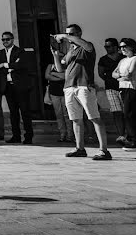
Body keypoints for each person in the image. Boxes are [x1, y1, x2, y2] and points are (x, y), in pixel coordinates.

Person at [52, 24, 111, 161]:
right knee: (75, 119)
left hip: (84, 86)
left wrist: (64, 36)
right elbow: (60, 69)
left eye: (72, 33)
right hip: (69, 87)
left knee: (94, 118)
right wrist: (55, 55)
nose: (69, 36)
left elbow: (86, 45)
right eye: (68, 34)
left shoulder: (87, 47)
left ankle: (104, 150)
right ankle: (80, 148)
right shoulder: (71, 50)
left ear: (79, 33)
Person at [112, 38, 136, 151]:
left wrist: (120, 76)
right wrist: (120, 76)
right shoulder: (123, 61)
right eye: (120, 47)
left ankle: (134, 140)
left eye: (124, 46)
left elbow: (129, 75)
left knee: (128, 114)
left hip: (133, 89)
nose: (122, 49)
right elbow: (113, 73)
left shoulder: (135, 58)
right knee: (135, 116)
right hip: (124, 89)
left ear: (131, 47)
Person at [0, 31, 34, 145]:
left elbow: (21, 65)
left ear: (12, 39)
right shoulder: (0, 53)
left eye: (7, 39)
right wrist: (11, 66)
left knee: (25, 112)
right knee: (13, 113)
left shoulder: (20, 51)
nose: (5, 41)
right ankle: (16, 136)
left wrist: (4, 65)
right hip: (8, 87)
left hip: (21, 86)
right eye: (3, 40)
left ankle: (28, 136)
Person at [98, 37, 127, 145]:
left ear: (115, 47)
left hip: (124, 87)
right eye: (105, 46)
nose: (107, 48)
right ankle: (121, 134)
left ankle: (129, 133)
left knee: (126, 112)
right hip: (110, 88)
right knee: (116, 112)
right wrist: (108, 80)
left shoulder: (123, 58)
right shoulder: (103, 59)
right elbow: (101, 73)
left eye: (109, 46)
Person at [44, 59, 73, 143]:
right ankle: (62, 135)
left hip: (65, 93)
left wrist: (53, 74)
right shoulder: (50, 65)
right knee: (59, 115)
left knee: (67, 115)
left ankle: (70, 135)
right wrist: (59, 77)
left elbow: (66, 76)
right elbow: (47, 76)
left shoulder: (66, 65)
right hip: (54, 93)